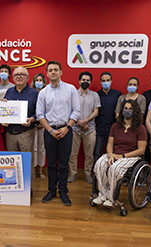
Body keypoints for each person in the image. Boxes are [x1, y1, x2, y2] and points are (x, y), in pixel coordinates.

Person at [37, 60, 80, 206]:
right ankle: (51, 191)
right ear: (47, 73)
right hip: (49, 131)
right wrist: (50, 130)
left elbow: (76, 110)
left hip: (66, 130)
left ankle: (63, 192)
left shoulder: (71, 89)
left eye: (56, 69)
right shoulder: (43, 92)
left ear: (61, 72)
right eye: (50, 70)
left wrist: (67, 127)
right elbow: (40, 114)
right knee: (51, 163)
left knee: (63, 163)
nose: (53, 72)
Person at [93, 100, 147, 207]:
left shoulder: (140, 128)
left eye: (130, 109)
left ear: (135, 111)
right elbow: (109, 144)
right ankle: (103, 195)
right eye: (125, 108)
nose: (127, 111)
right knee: (99, 164)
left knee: (114, 169)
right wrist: (110, 155)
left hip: (131, 156)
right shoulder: (115, 126)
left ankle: (112, 197)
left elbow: (141, 150)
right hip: (114, 154)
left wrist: (121, 156)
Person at [4, 66, 38, 181]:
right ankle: (14, 187)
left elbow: (39, 113)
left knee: (27, 162)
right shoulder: (9, 92)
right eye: (16, 74)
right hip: (10, 134)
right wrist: (3, 117)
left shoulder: (34, 93)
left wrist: (31, 119)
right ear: (13, 78)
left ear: (27, 77)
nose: (19, 76)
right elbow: (5, 111)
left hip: (26, 133)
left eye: (22, 74)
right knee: (12, 162)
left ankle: (28, 189)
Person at [68, 71, 100, 184]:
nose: (85, 82)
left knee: (89, 154)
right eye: (83, 80)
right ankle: (73, 173)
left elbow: (96, 111)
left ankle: (87, 173)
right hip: (74, 128)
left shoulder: (95, 95)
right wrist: (79, 122)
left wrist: (85, 121)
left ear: (90, 82)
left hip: (90, 128)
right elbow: (69, 110)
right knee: (72, 153)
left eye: (87, 80)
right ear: (79, 81)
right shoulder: (73, 94)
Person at [94, 72, 121, 162]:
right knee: (97, 152)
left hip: (113, 128)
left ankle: (110, 172)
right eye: (103, 80)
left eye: (108, 80)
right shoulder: (96, 95)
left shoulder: (117, 94)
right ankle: (96, 174)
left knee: (112, 152)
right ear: (100, 82)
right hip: (99, 128)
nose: (106, 82)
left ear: (111, 81)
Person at [31, 73, 47, 179]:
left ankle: (41, 170)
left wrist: (43, 122)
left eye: (41, 80)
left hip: (44, 125)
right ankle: (33, 170)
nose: (39, 82)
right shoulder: (31, 93)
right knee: (33, 148)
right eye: (37, 80)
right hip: (32, 125)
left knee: (42, 148)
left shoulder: (47, 93)